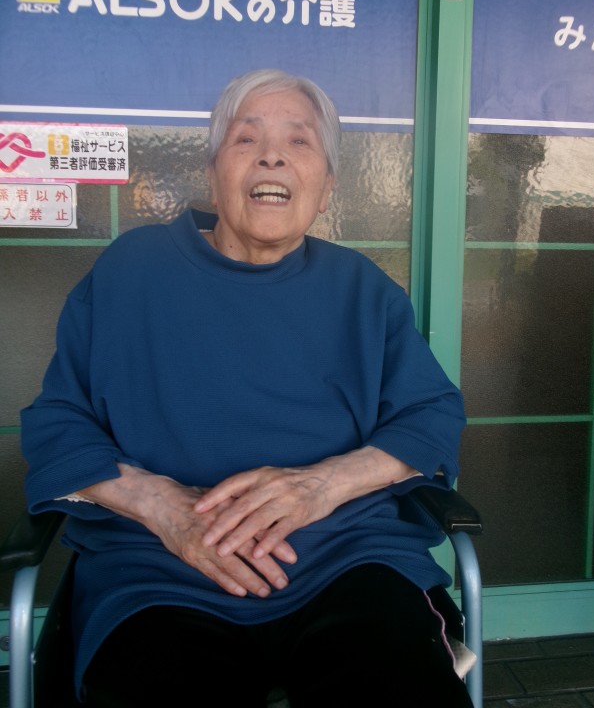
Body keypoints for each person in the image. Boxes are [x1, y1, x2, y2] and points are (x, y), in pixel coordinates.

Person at [21, 69, 473, 707]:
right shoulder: (131, 271)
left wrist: (321, 485)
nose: (272, 157)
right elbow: (58, 422)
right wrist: (161, 505)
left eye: (299, 141)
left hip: (346, 560)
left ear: (326, 186)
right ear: (213, 174)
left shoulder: (362, 290)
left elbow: (431, 414)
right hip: (161, 570)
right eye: (246, 139)